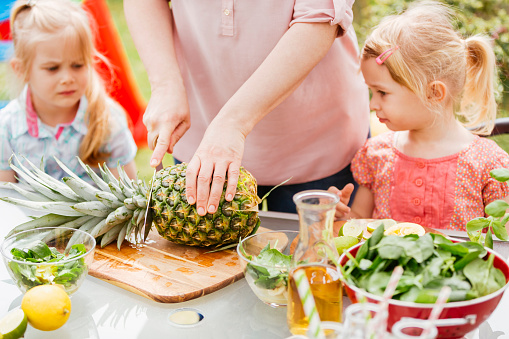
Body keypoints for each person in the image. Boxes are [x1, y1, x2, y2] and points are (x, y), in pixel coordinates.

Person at [124, 0, 370, 214]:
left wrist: (232, 123)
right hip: (201, 144)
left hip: (314, 146)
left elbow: (319, 17)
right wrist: (165, 85)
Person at [328, 1, 509, 231]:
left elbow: (502, 246)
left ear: (434, 93)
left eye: (383, 92)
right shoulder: (376, 155)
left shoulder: (490, 166)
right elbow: (360, 223)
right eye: (372, 92)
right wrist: (340, 217)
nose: (373, 104)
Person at [0, 0, 138, 183]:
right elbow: (6, 200)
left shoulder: (108, 120)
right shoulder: (7, 129)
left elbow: (128, 196)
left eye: (78, 65)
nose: (67, 78)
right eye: (52, 68)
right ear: (21, 69)